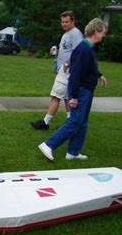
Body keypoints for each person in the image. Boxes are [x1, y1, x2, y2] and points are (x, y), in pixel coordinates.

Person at [38, 18, 108, 161]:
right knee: (75, 121)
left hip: (87, 90)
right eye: (103, 33)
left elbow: (89, 68)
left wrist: (99, 75)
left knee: (82, 123)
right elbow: (75, 75)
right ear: (96, 32)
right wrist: (74, 97)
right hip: (81, 91)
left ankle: (73, 152)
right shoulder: (83, 48)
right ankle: (48, 145)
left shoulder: (87, 48)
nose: (104, 35)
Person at [31, 11, 83, 130]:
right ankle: (71, 122)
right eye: (62, 22)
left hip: (68, 71)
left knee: (55, 96)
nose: (64, 24)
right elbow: (67, 50)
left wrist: (67, 63)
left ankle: (45, 123)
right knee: (67, 98)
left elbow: (79, 52)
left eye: (67, 22)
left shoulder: (75, 33)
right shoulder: (67, 33)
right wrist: (56, 51)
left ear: (72, 21)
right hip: (63, 70)